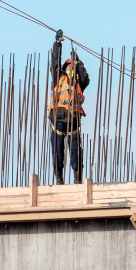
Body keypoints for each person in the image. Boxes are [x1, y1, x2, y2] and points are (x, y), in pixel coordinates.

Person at [48, 29, 90, 184]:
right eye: (69, 65)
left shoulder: (79, 82)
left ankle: (77, 180)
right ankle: (59, 179)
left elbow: (86, 78)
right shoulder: (58, 78)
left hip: (72, 120)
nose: (70, 67)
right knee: (57, 151)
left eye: (73, 66)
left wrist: (78, 62)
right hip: (58, 118)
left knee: (75, 153)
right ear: (64, 68)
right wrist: (57, 44)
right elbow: (54, 64)